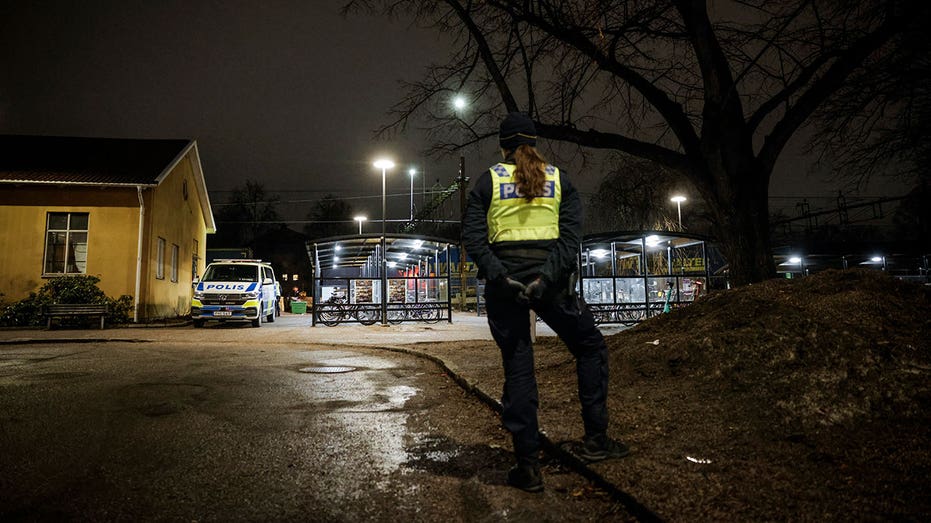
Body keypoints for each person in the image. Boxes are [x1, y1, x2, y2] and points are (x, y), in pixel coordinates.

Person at [462, 112, 629, 493]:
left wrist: (502, 277)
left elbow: (473, 236)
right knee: (590, 347)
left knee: (519, 368)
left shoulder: (488, 180)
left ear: (502, 146)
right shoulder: (559, 180)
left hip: (506, 289)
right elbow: (571, 240)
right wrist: (544, 279)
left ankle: (528, 466)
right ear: (535, 143)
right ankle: (596, 440)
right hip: (553, 287)